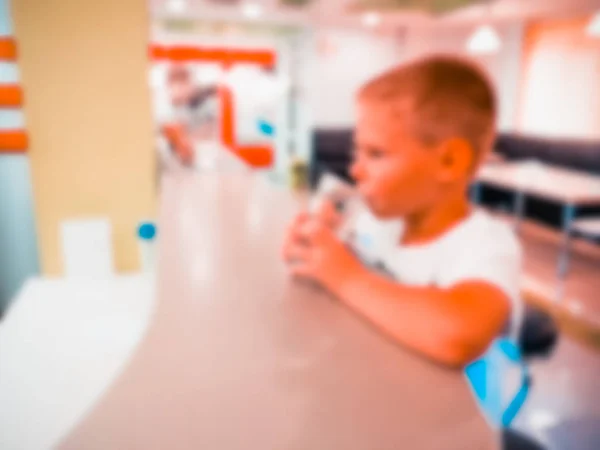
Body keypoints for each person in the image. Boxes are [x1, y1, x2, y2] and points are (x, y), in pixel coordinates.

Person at [282, 55, 522, 368]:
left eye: (375, 154)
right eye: (357, 150)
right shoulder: (376, 223)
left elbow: (458, 333)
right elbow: (353, 275)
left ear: (448, 162)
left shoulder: (486, 245)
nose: (355, 169)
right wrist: (316, 246)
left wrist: (344, 277)